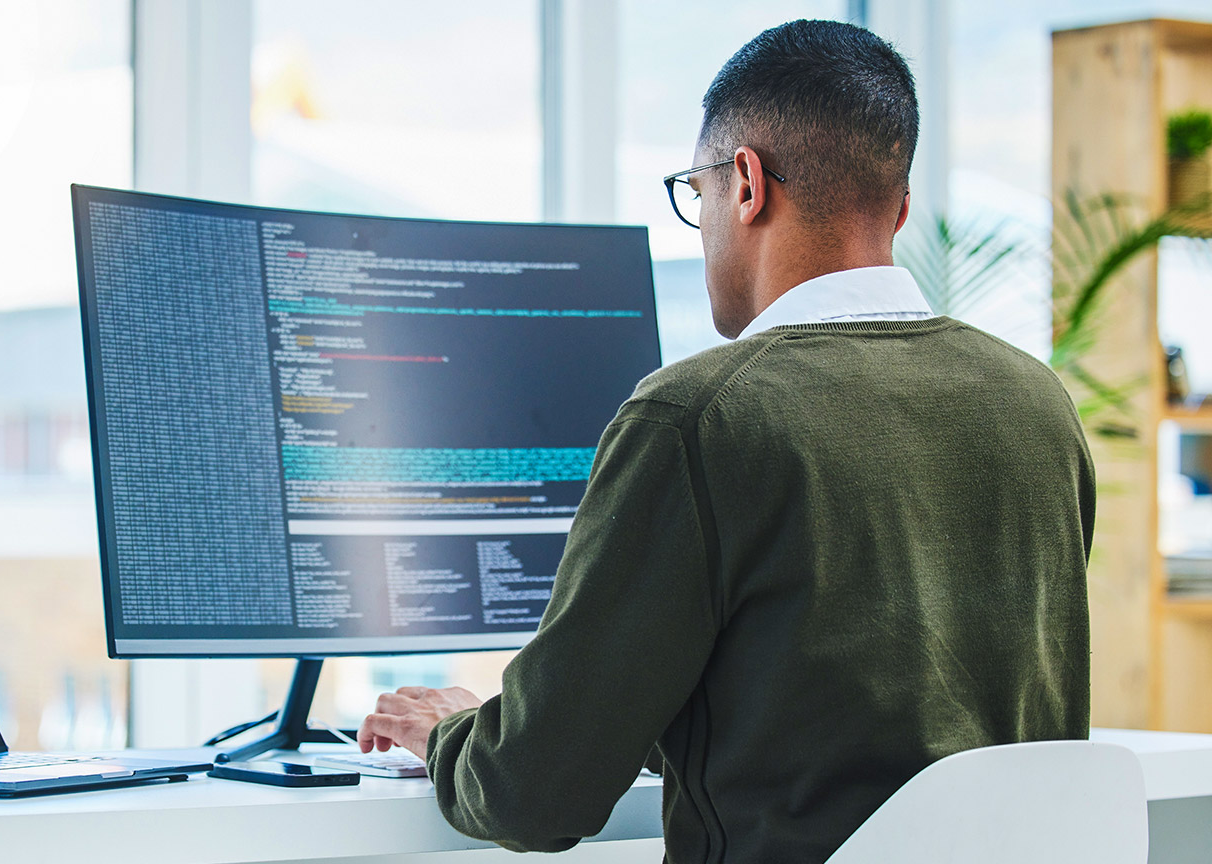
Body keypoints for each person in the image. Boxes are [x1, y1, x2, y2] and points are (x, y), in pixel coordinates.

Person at [358, 18, 1093, 864]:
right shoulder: (1037, 402)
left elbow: (535, 794)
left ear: (745, 184)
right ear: (897, 206)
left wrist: (453, 733)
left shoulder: (700, 418)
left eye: (696, 193)